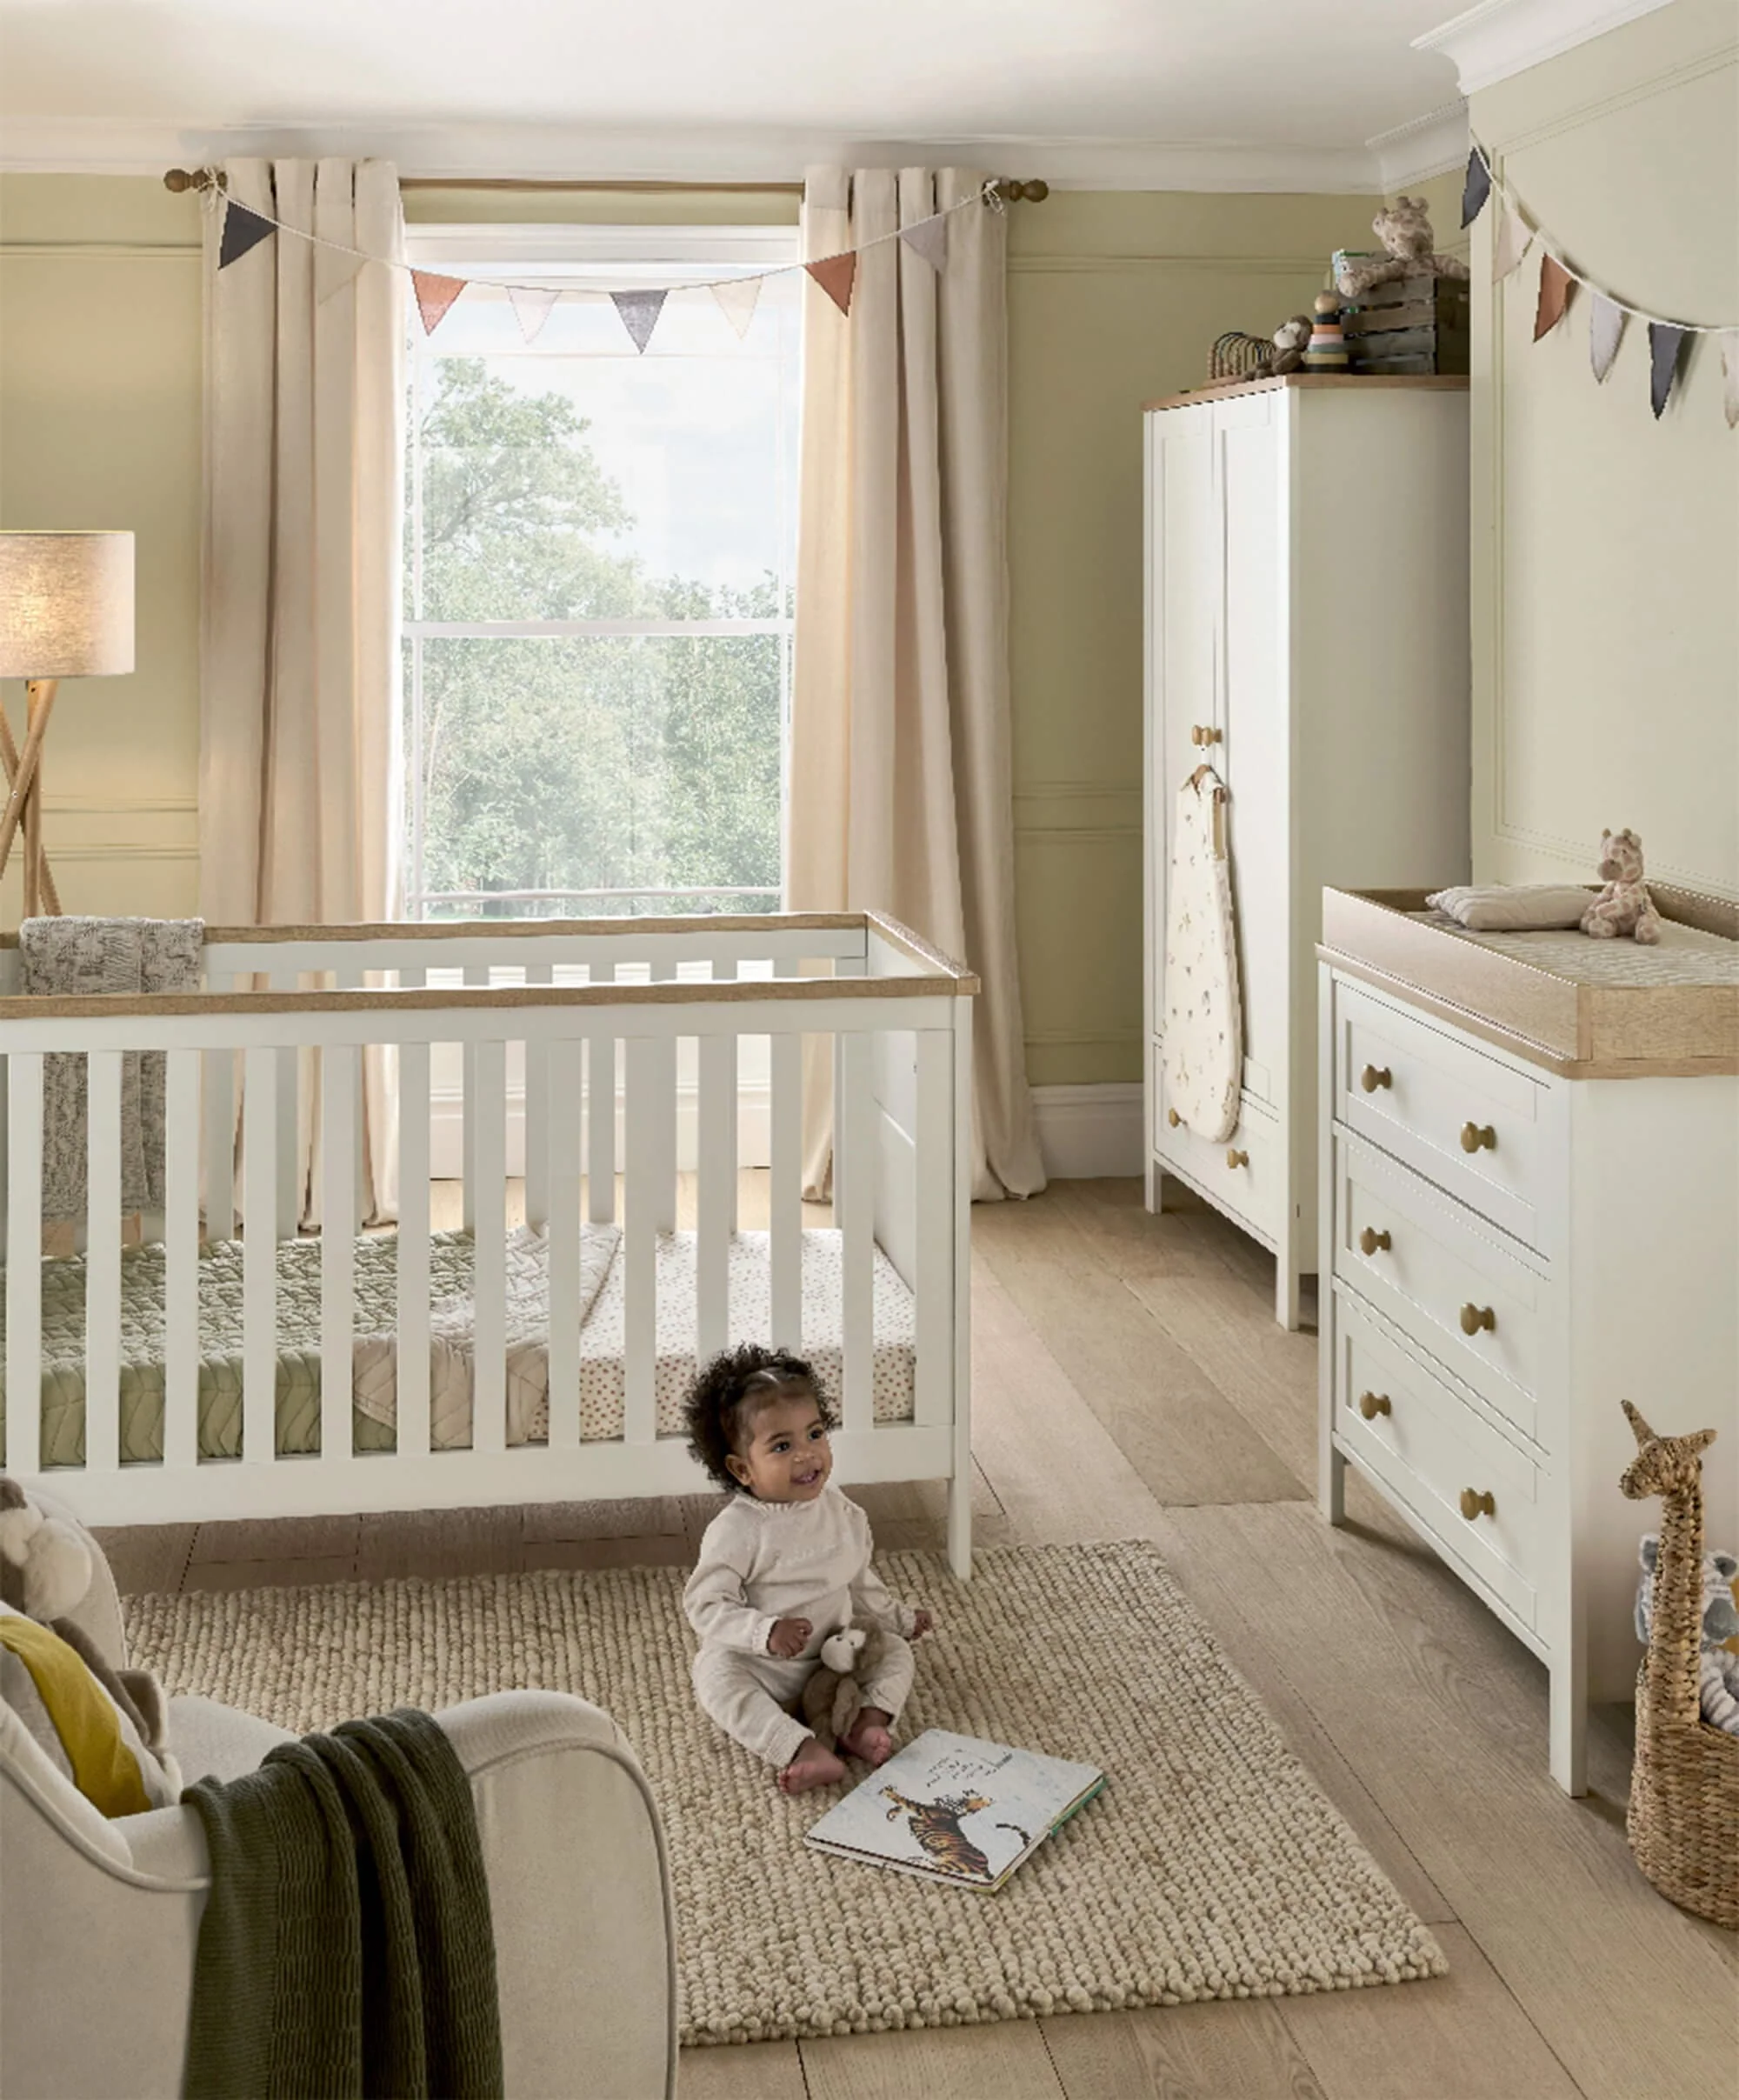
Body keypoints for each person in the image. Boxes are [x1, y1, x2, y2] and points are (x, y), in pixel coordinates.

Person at [682, 1345, 932, 1795]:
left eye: (815, 1434)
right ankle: (799, 1748)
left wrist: (900, 1619)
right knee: (714, 1676)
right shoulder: (738, 1530)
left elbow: (860, 1582)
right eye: (782, 1446)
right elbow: (704, 1605)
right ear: (743, 1469)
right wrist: (764, 1631)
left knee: (895, 1652)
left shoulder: (843, 1513)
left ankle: (865, 1722)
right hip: (762, 1666)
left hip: (834, 1662)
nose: (806, 1455)